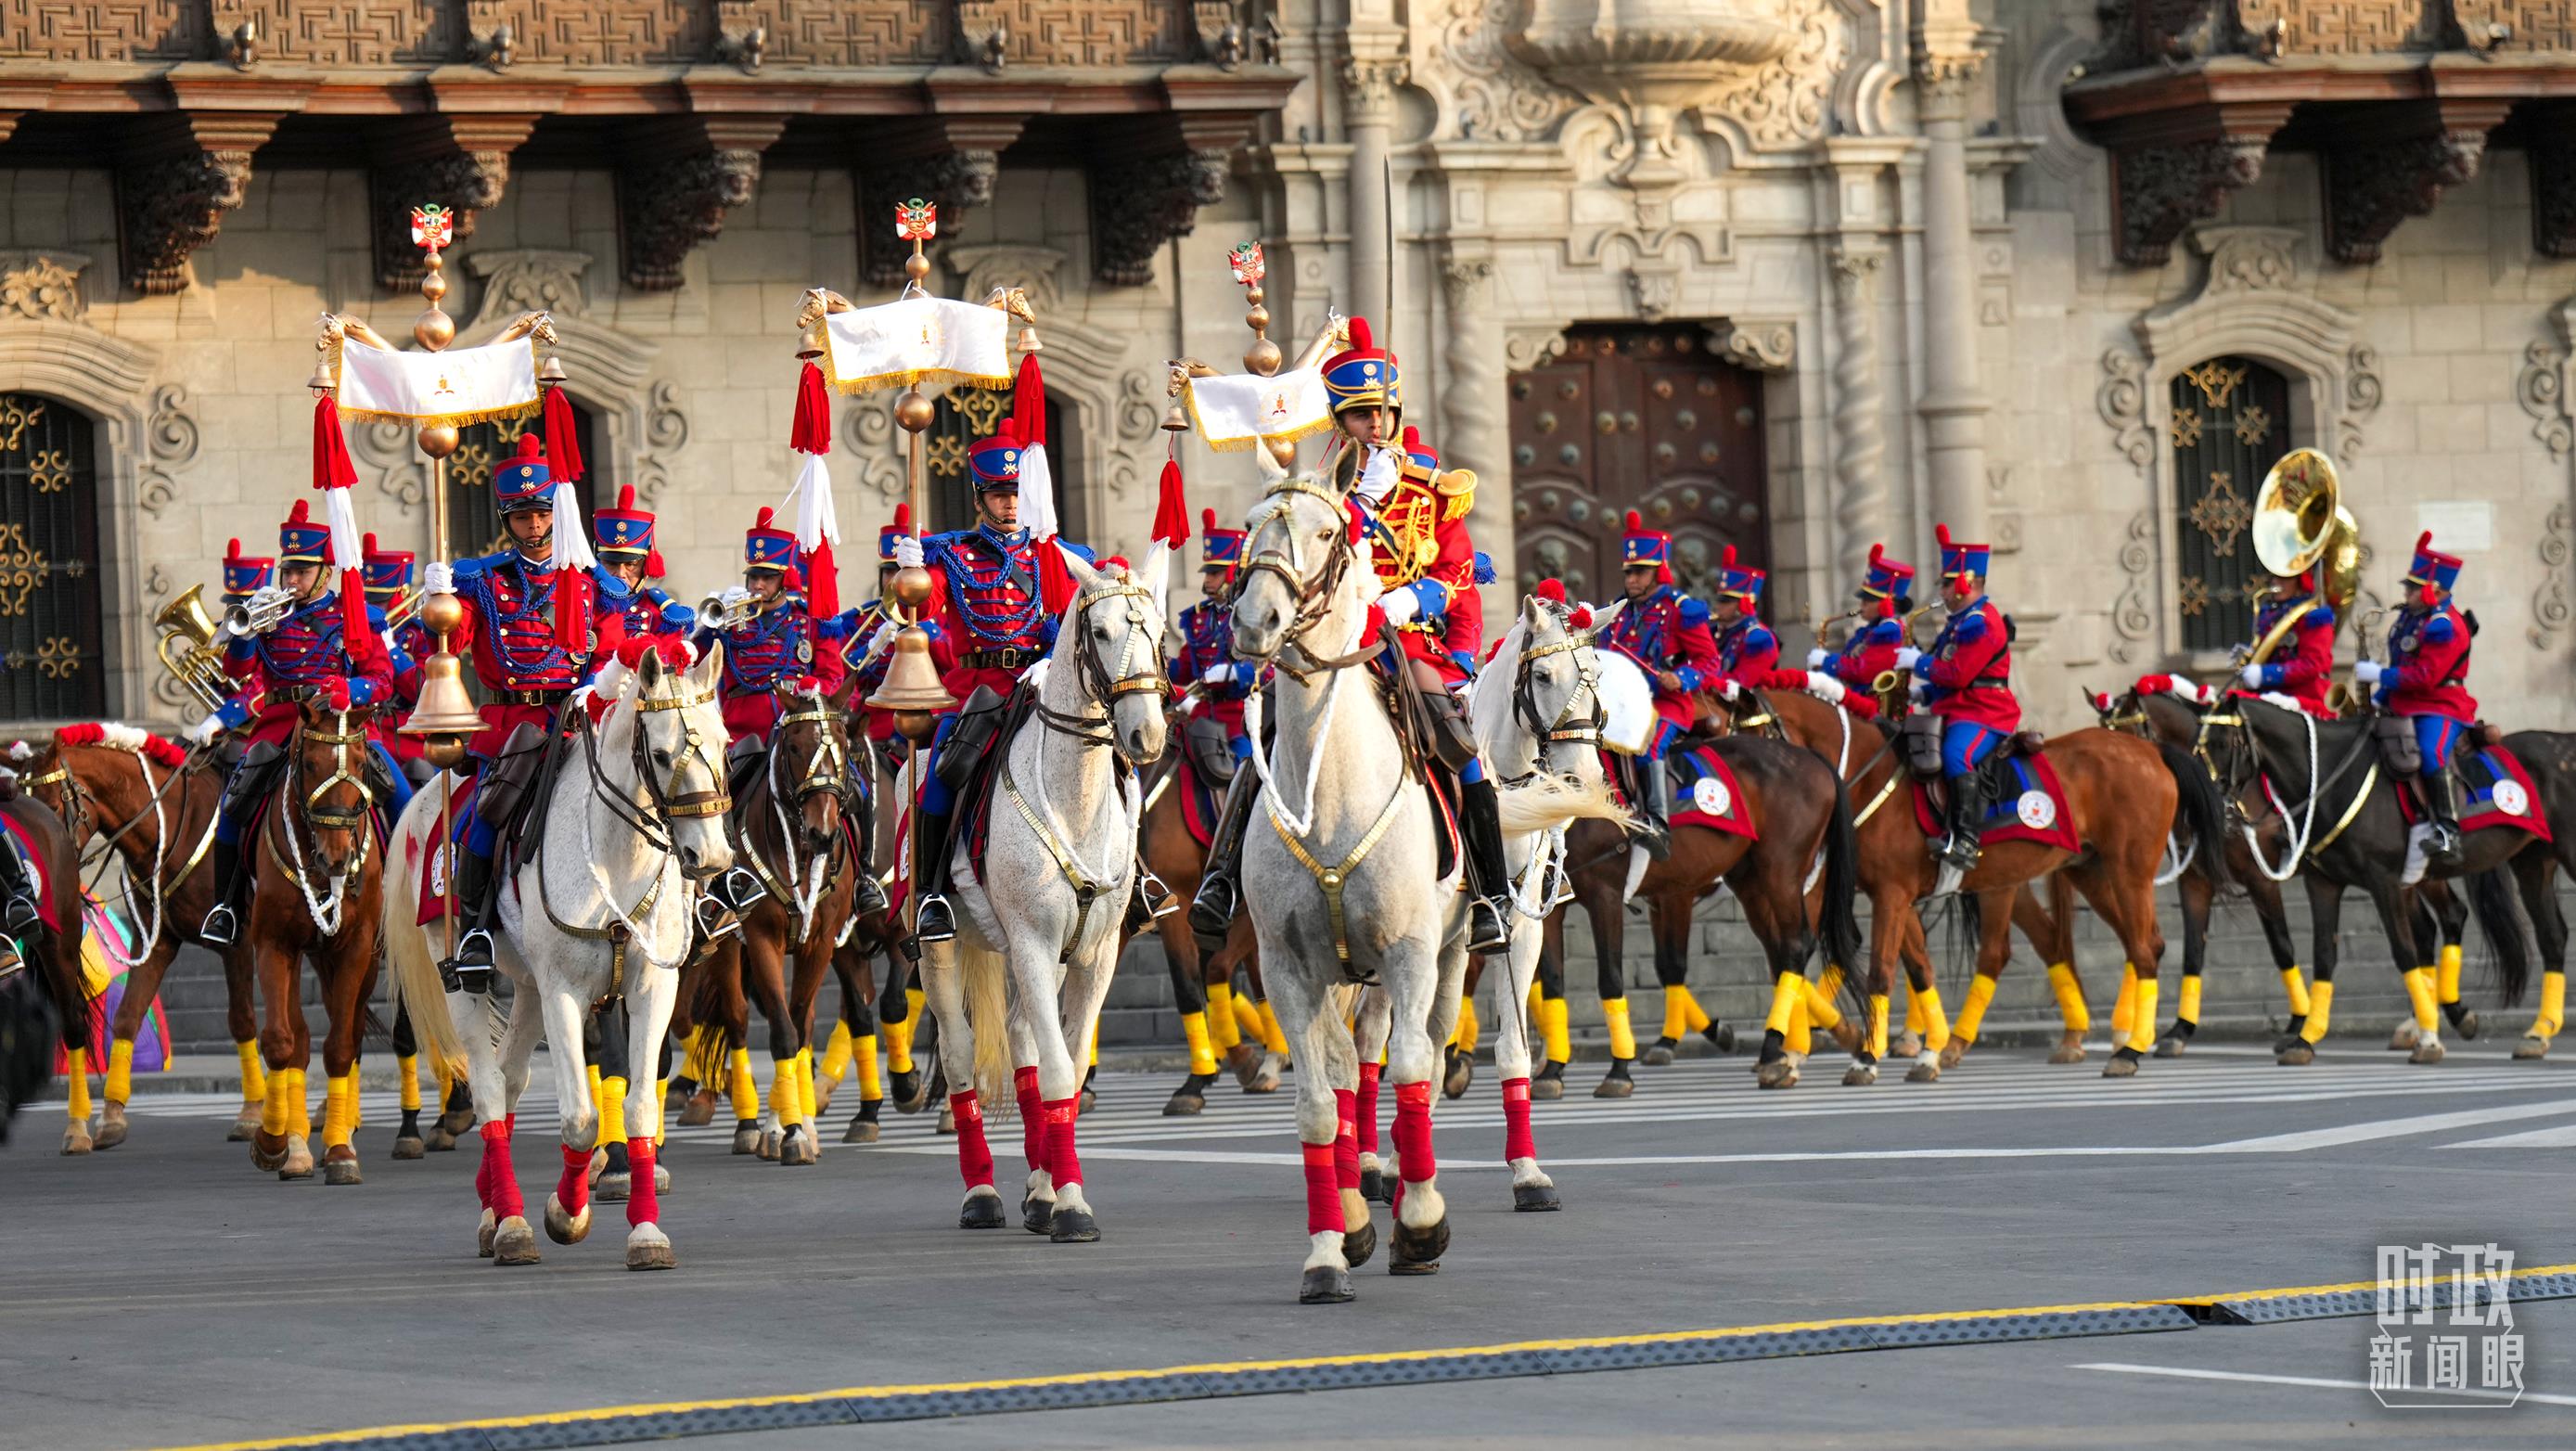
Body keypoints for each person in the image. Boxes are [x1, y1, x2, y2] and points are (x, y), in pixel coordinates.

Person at [1197, 319, 1511, 953]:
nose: (1375, 426)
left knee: (1458, 744)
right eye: (1360, 416)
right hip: (1329, 643)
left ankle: (1488, 893)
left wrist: (1407, 599)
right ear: (1341, 423)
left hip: (1404, 644)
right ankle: (1222, 878)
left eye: (1382, 413)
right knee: (1263, 744)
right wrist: (1353, 515)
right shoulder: (1320, 493)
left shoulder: (1432, 490)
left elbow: (1455, 570)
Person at [888, 357, 1096, 946]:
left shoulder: (1056, 553)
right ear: (980, 498)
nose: (1010, 505)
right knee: (942, 777)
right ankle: (930, 893)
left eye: (1016, 493)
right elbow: (916, 616)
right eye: (1000, 495)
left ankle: (1134, 880)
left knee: (1114, 757)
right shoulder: (949, 553)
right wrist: (908, 576)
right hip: (978, 689)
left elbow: (1095, 599)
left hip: (1045, 684)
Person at [426, 431, 634, 993]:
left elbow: (614, 651)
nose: (535, 528)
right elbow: (454, 641)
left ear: (558, 512)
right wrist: (441, 610)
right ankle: (475, 931)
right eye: (522, 518)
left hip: (582, 717)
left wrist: (593, 691)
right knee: (489, 809)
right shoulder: (484, 580)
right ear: (507, 520)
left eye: (542, 514)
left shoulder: (595, 584)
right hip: (515, 724)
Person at [190, 501, 401, 946]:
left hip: (342, 725)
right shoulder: (270, 615)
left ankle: (411, 892)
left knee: (401, 794)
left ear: (325, 572)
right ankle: (226, 906)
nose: (291, 581)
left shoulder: (353, 615)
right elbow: (237, 670)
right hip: (280, 724)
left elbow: (382, 678)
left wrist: (353, 691)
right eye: (288, 570)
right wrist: (245, 632)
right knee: (234, 802)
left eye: (302, 572)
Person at [695, 507, 881, 918]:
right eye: (754, 576)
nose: (758, 584)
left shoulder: (806, 620)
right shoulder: (730, 620)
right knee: (717, 794)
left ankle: (864, 874)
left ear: (784, 578)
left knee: (857, 787)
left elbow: (832, 670)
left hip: (795, 728)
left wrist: (814, 685)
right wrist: (706, 628)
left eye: (768, 577)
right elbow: (693, 661)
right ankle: (721, 879)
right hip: (743, 734)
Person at [1595, 510, 1720, 858]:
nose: (1631, 580)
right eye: (1628, 572)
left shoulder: (1683, 610)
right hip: (1618, 703)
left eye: (1639, 572)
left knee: (1646, 742)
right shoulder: (1616, 611)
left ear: (1658, 572)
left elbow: (1710, 661)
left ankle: (1658, 823)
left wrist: (1681, 678)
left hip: (1664, 703)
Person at [1903, 525, 2018, 872]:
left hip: (1986, 713)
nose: (1941, 590)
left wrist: (1917, 662)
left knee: (1956, 754)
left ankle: (1967, 841)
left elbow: (1958, 674)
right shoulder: (1958, 623)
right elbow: (1949, 680)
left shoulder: (1982, 623)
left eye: (1946, 583)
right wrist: (1921, 691)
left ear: (1966, 583)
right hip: (1955, 709)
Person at [2360, 532, 2475, 868]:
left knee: (2430, 751)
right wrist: (2378, 699)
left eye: (2412, 588)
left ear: (2434, 591)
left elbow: (2425, 676)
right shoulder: (2410, 619)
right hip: (2403, 701)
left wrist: (2379, 676)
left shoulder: (2444, 626)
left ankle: (2447, 831)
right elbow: (2402, 667)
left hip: (2440, 705)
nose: (2406, 593)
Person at [1173, 507, 1254, 778]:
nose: (1207, 580)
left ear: (1233, 572)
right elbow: (1186, 668)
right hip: (1201, 716)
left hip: (1240, 718)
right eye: (1207, 573)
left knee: (1244, 778)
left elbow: (1269, 670)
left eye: (1215, 573)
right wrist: (1160, 663)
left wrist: (1233, 673)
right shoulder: (1199, 617)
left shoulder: (1251, 617)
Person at [362, 533, 438, 788]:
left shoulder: (421, 634)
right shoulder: (358, 633)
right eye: (368, 601)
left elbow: (423, 691)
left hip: (410, 738)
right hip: (367, 730)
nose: (375, 610)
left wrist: (391, 650)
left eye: (381, 601)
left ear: (403, 592)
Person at [595, 484, 694, 646]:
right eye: (611, 563)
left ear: (645, 565)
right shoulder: (584, 601)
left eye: (631, 565)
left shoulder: (660, 613)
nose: (620, 573)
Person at [1812, 544, 1915, 700]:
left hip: (1878, 709)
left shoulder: (1889, 632)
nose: (1861, 606)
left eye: (1867, 601)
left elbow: (1863, 671)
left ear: (1886, 603)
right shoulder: (1872, 630)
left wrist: (1826, 661)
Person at [2235, 564, 2339, 718]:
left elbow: (2313, 664)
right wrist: (2246, 658)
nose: (2276, 583)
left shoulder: (2315, 617)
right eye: (2274, 577)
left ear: (2300, 582)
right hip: (2269, 693)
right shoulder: (2269, 614)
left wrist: (2265, 674)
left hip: (2304, 697)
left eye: (2284, 578)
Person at [1705, 544, 1777, 692]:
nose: (1718, 606)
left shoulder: (1759, 639)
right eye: (1718, 600)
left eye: (1725, 601)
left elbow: (1741, 684)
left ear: (1743, 604)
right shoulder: (1713, 631)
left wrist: (1700, 677)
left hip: (1746, 708)